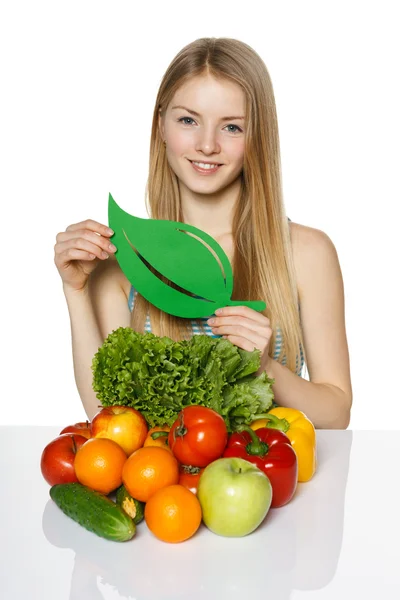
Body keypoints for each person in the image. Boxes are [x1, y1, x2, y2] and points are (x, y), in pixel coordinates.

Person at [54, 37, 352, 429]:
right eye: (188, 120)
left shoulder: (307, 253)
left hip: (268, 485)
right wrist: (75, 293)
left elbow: (337, 413)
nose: (207, 145)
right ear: (160, 124)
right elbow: (107, 419)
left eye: (231, 126)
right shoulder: (123, 263)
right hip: (162, 489)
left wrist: (266, 367)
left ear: (258, 137)